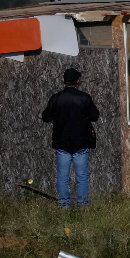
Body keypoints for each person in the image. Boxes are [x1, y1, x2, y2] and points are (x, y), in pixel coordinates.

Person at [41, 68, 100, 208]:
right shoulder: (84, 98)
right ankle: (82, 205)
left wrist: (56, 119)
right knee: (82, 178)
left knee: (62, 178)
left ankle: (64, 206)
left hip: (62, 144)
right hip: (81, 143)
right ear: (77, 82)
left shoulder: (56, 98)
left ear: (63, 81)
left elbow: (45, 117)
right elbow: (95, 116)